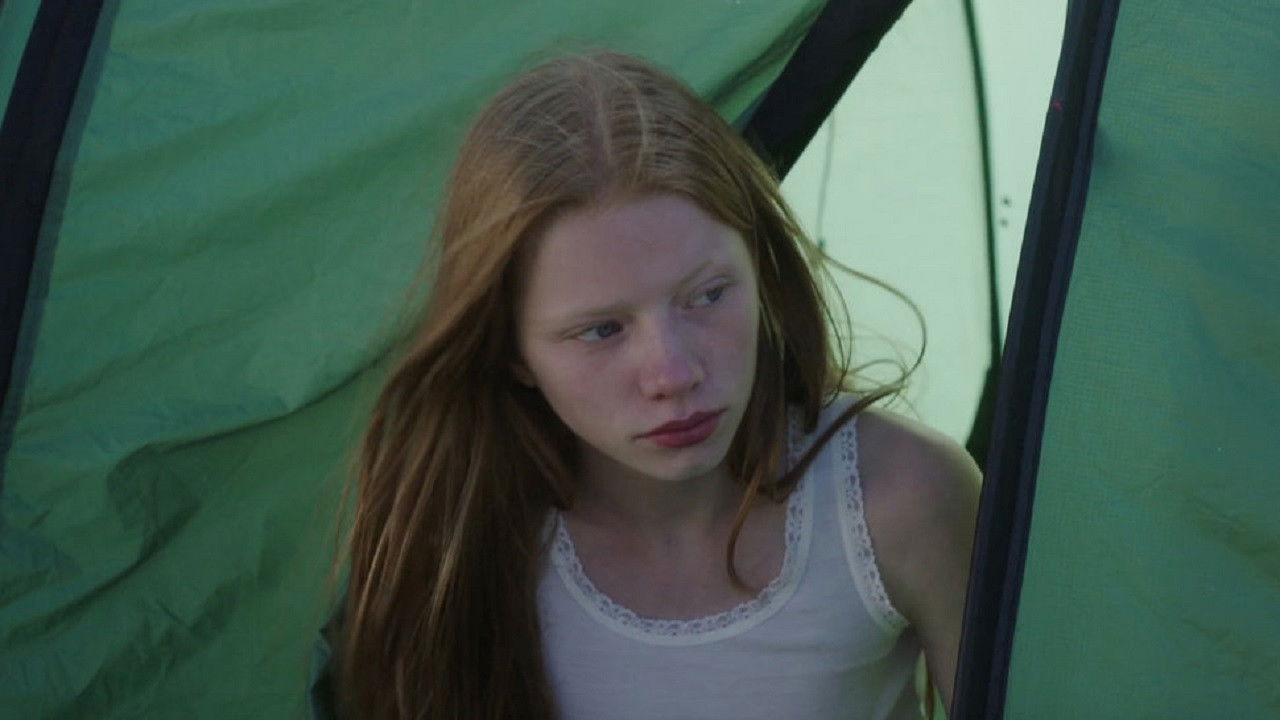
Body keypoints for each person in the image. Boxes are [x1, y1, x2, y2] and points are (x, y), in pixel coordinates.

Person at [324, 51, 980, 720]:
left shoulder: (898, 497)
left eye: (708, 295)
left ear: (761, 270)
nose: (673, 374)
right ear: (512, 352)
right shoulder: (452, 537)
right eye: (601, 331)